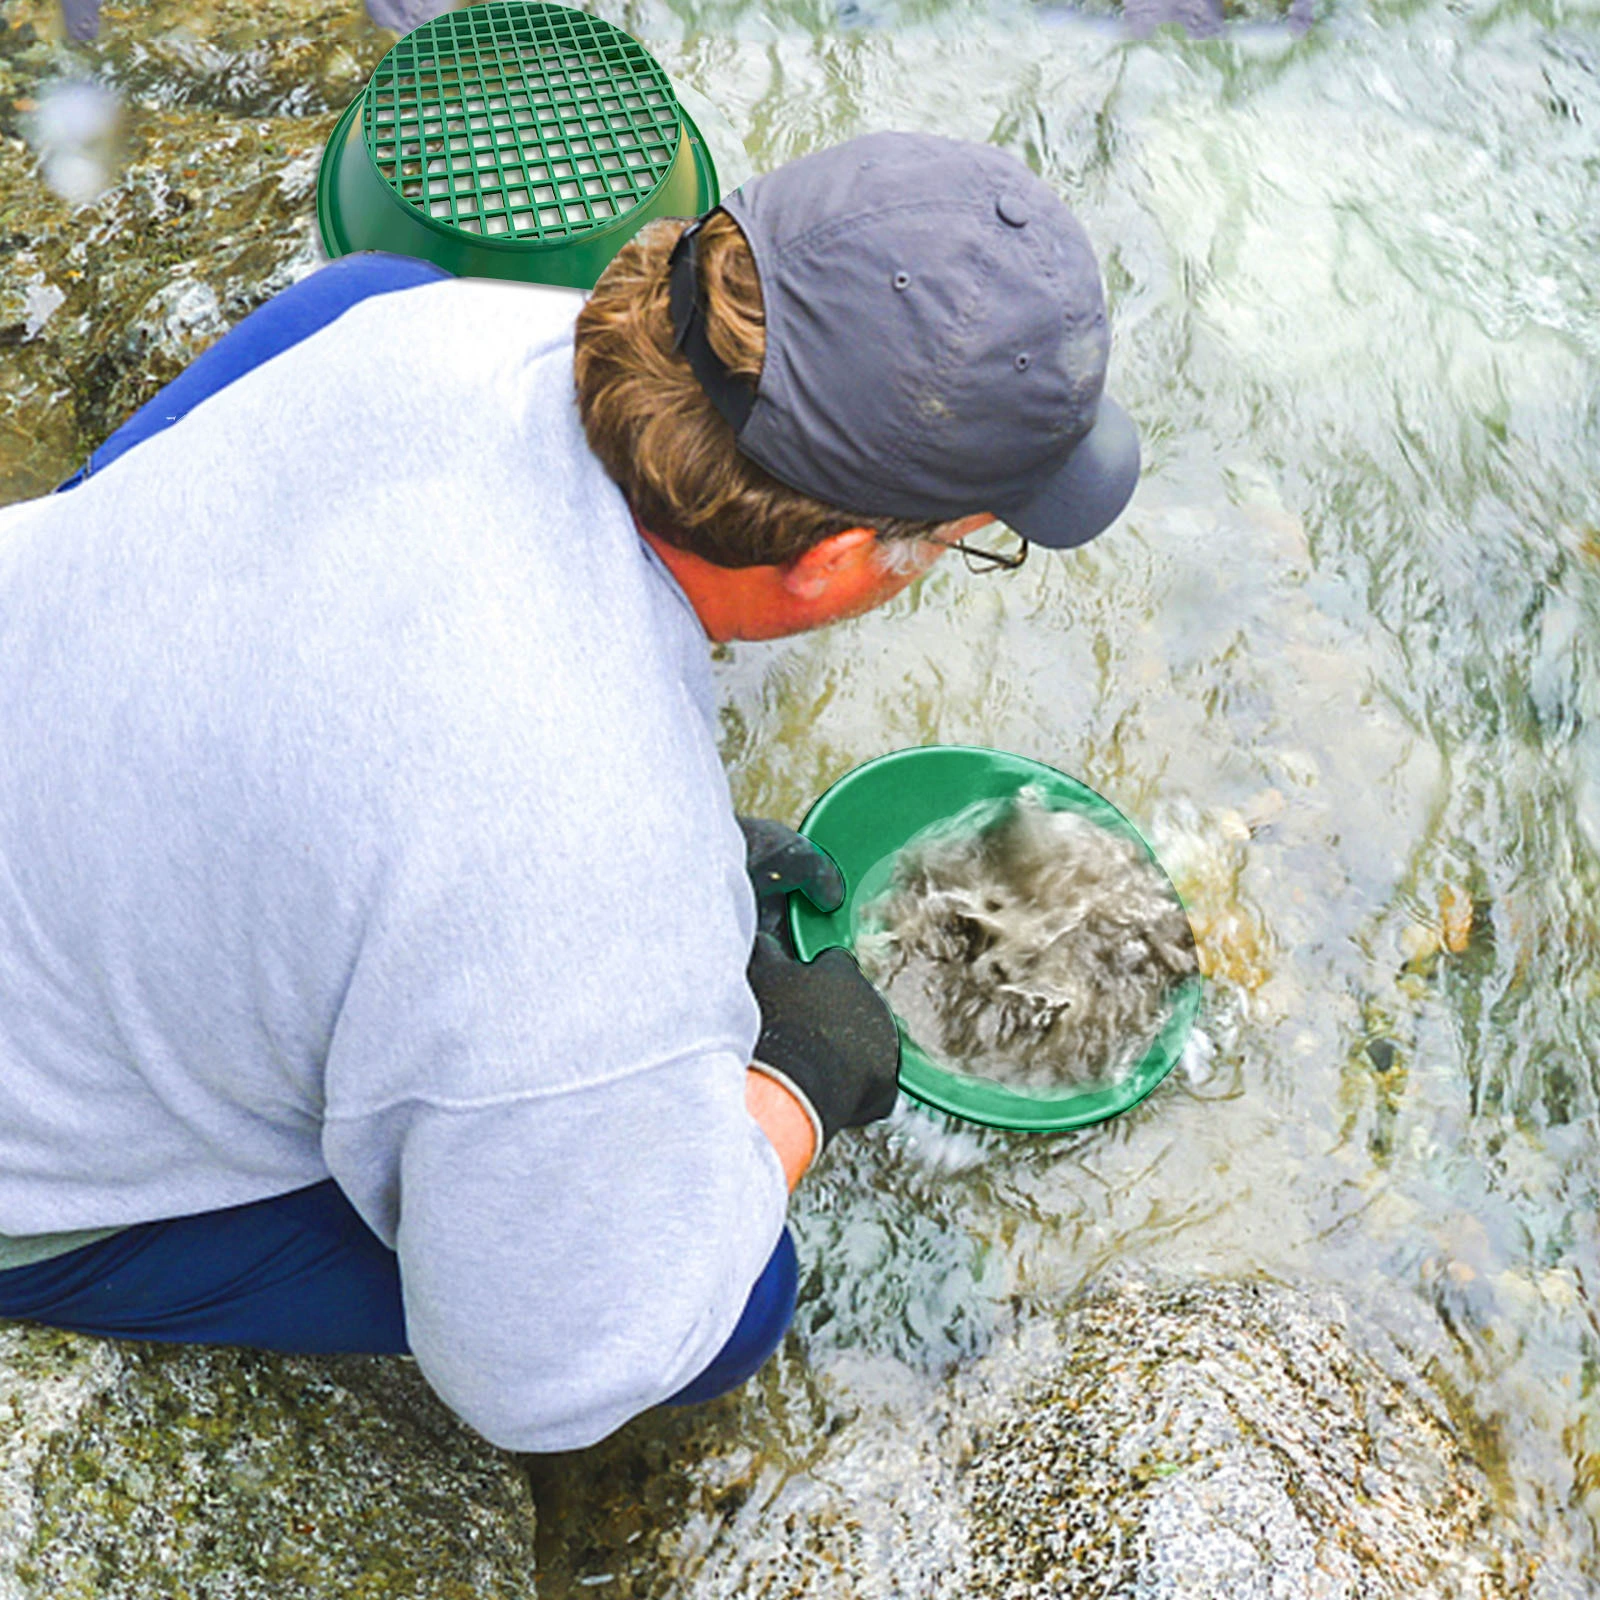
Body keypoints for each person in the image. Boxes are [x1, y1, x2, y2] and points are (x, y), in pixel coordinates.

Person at [0, 132, 1138, 1451]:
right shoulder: (581, 876)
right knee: (729, 1298)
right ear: (834, 566)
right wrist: (792, 1090)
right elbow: (541, 1377)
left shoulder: (399, 317)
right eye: (962, 542)